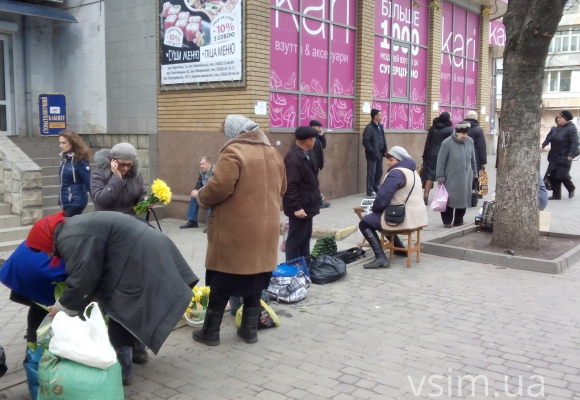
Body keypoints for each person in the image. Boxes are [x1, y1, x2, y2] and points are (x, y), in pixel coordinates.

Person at [25, 211, 199, 386]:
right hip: (143, 247)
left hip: (139, 253)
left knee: (120, 308)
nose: (47, 255)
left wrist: (61, 307)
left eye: (42, 250)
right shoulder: (72, 228)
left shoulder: (70, 237)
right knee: (132, 304)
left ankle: (124, 370)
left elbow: (83, 279)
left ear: (44, 240)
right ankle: (138, 352)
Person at [192, 115, 286, 346]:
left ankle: (210, 332)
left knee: (222, 281)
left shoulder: (234, 152)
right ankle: (249, 330)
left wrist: (201, 195)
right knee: (255, 280)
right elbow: (282, 187)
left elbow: (218, 188)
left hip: (236, 231)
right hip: (265, 230)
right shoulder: (273, 153)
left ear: (233, 132)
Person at [358, 147, 428, 269]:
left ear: (399, 160)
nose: (388, 162)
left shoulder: (397, 173)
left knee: (365, 222)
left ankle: (380, 257)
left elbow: (382, 198)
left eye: (391, 159)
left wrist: (375, 209)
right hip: (417, 216)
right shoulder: (412, 171)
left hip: (403, 217)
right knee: (380, 220)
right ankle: (400, 249)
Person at [0, 242, 67, 344]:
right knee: (56, 304)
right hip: (44, 270)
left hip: (23, 258)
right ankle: (37, 344)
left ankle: (33, 344)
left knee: (40, 304)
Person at [283, 126, 321, 261]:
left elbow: (308, 180)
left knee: (304, 240)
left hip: (307, 205)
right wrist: (297, 207)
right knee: (295, 242)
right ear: (308, 140)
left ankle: (304, 268)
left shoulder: (304, 153)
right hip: (300, 208)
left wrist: (317, 195)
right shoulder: (294, 157)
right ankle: (293, 271)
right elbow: (290, 185)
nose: (315, 142)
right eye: (314, 139)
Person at [436, 121, 477, 228]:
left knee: (463, 199)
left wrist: (475, 174)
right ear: (456, 132)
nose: (464, 136)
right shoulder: (447, 143)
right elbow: (441, 161)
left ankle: (459, 220)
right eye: (462, 134)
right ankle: (447, 221)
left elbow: (473, 159)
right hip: (450, 177)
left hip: (467, 175)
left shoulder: (470, 141)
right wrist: (440, 176)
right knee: (449, 199)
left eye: (466, 134)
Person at [91, 142, 148, 215]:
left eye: (129, 165)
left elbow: (141, 193)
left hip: (129, 221)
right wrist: (117, 178)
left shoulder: (134, 174)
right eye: (122, 164)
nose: (125, 168)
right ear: (113, 161)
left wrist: (144, 201)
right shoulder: (99, 174)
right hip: (107, 221)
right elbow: (101, 201)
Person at [421, 112, 453, 205]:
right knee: (443, 175)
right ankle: (442, 196)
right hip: (443, 155)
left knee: (429, 176)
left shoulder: (432, 128)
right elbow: (450, 145)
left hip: (431, 153)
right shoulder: (450, 130)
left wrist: (425, 156)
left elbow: (427, 143)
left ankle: (426, 194)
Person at [57, 130, 91, 217]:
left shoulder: (79, 160)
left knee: (66, 227)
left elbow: (89, 182)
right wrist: (61, 203)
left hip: (76, 202)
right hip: (67, 201)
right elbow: (63, 184)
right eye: (60, 143)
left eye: (64, 143)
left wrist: (100, 203)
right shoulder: (65, 160)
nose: (61, 146)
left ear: (72, 142)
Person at [546, 111, 579, 200]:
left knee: (562, 175)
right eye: (557, 118)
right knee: (553, 175)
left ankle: (571, 188)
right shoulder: (557, 128)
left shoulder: (571, 128)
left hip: (565, 156)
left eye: (560, 118)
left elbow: (575, 143)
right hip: (554, 155)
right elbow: (550, 137)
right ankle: (556, 195)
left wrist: (571, 154)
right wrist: (544, 145)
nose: (558, 120)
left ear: (566, 119)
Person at [180, 156, 213, 229]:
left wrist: (200, 192)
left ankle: (211, 225)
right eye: (200, 164)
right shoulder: (202, 172)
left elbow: (215, 186)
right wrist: (196, 190)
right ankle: (193, 221)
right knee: (194, 197)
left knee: (212, 200)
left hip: (214, 193)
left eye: (203, 164)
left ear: (209, 163)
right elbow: (199, 184)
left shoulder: (216, 171)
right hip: (204, 192)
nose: (201, 166)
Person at [362, 109, 387, 197]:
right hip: (372, 155)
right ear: (375, 116)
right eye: (380, 115)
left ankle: (376, 188)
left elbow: (383, 139)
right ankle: (370, 190)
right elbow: (365, 141)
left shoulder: (380, 126)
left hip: (380, 153)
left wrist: (384, 150)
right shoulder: (369, 128)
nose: (381, 116)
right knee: (371, 173)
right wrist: (372, 150)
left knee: (379, 172)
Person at [308, 120, 330, 208]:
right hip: (312, 163)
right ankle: (316, 202)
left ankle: (318, 200)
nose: (320, 129)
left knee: (316, 183)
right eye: (318, 128)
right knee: (313, 183)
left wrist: (322, 135)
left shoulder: (317, 136)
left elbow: (323, 145)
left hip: (317, 163)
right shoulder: (309, 137)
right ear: (313, 127)